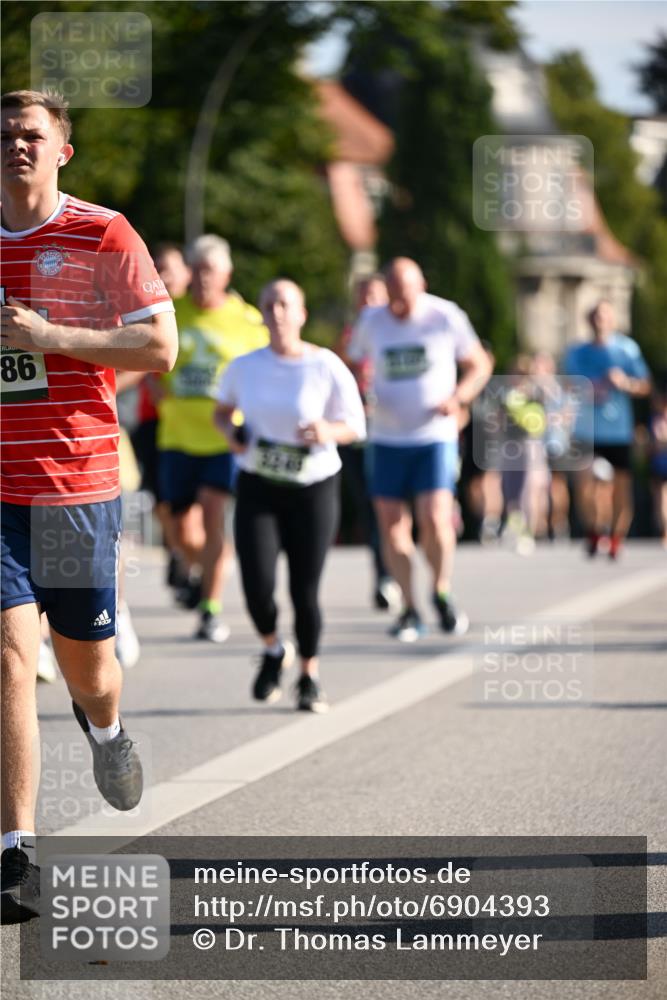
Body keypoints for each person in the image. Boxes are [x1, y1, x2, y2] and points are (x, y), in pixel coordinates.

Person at [0, 90, 177, 920]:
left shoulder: (102, 233)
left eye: (32, 135)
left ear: (62, 149)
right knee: (8, 652)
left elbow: (160, 346)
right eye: (3, 136)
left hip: (75, 485)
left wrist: (53, 339)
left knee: (89, 671)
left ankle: (105, 730)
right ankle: (15, 851)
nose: (17, 147)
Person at [214, 279, 365, 712]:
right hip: (259, 484)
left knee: (305, 589)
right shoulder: (245, 367)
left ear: (301, 314)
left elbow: (355, 425)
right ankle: (273, 648)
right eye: (269, 304)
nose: (277, 312)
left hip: (314, 486)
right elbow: (222, 413)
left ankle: (309, 676)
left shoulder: (325, 366)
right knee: (257, 586)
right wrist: (233, 434)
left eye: (285, 304)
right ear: (261, 314)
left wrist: (326, 431)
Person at [348, 257, 492, 642]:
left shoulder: (445, 316)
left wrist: (458, 398)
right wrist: (358, 398)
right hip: (386, 438)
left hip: (434, 435)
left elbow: (480, 364)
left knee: (436, 519)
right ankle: (410, 608)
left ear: (421, 285)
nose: (400, 302)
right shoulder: (372, 321)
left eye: (407, 292)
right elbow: (349, 363)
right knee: (393, 530)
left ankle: (441, 591)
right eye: (393, 293)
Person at [157, 235, 268, 641]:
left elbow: (265, 372)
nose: (203, 279)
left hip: (223, 438)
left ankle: (210, 608)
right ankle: (203, 566)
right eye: (197, 270)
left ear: (226, 275)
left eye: (211, 272)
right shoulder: (171, 312)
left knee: (212, 514)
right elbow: (154, 361)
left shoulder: (247, 320)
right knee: (182, 529)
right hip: (177, 435)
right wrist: (160, 393)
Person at [564, 300, 651, 559]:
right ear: (588, 321)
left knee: (621, 488)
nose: (599, 321)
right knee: (584, 483)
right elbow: (568, 384)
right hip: (586, 428)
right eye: (595, 316)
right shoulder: (577, 352)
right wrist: (591, 387)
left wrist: (624, 383)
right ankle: (594, 528)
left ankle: (615, 537)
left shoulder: (626, 350)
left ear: (612, 320)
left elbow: (645, 386)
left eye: (604, 316)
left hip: (618, 430)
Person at [335, 273, 400, 612]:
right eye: (362, 295)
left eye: (374, 295)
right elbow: (338, 373)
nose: (368, 302)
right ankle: (384, 576)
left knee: (391, 506)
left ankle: (394, 570)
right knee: (371, 505)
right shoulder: (350, 335)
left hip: (394, 428)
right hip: (359, 428)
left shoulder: (395, 330)